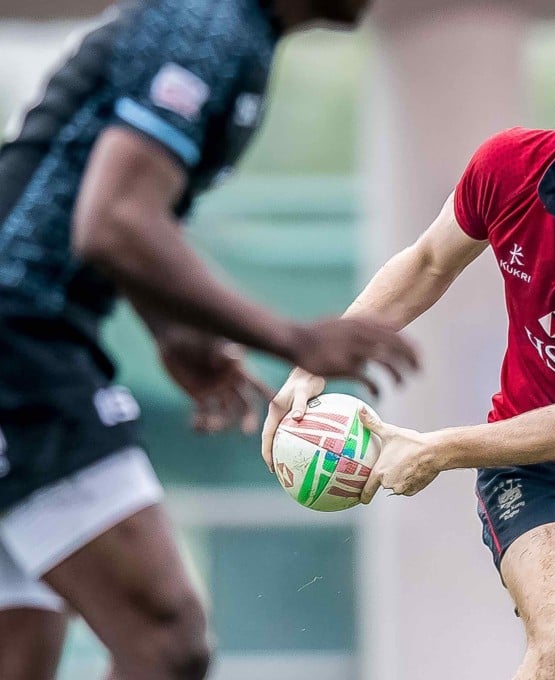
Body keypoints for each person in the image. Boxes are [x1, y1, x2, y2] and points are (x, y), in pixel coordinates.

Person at [263, 28, 555, 680]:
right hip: (536, 465)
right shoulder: (507, 168)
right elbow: (428, 264)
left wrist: (437, 449)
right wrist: (317, 359)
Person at [0, 1, 418, 678]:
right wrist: (291, 337)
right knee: (167, 641)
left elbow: (114, 209)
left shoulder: (235, 34)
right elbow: (115, 222)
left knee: (19, 652)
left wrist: (173, 331)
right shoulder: (209, 24)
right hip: (19, 343)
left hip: (30, 334)